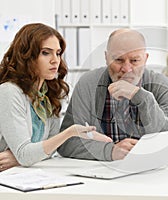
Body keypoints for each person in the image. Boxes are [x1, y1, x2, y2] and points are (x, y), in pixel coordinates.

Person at [0, 23, 112, 171]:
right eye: (46, 53)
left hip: (28, 173)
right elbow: (28, 153)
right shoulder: (9, 91)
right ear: (27, 55)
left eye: (58, 53)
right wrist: (70, 132)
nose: (55, 60)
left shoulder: (49, 93)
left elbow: (50, 149)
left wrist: (19, 158)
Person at [58, 28, 168, 161]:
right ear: (106, 57)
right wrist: (110, 151)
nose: (127, 69)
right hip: (103, 171)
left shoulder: (162, 86)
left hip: (150, 170)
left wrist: (141, 97)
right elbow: (67, 143)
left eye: (134, 61)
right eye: (119, 60)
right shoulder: (88, 84)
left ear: (145, 59)